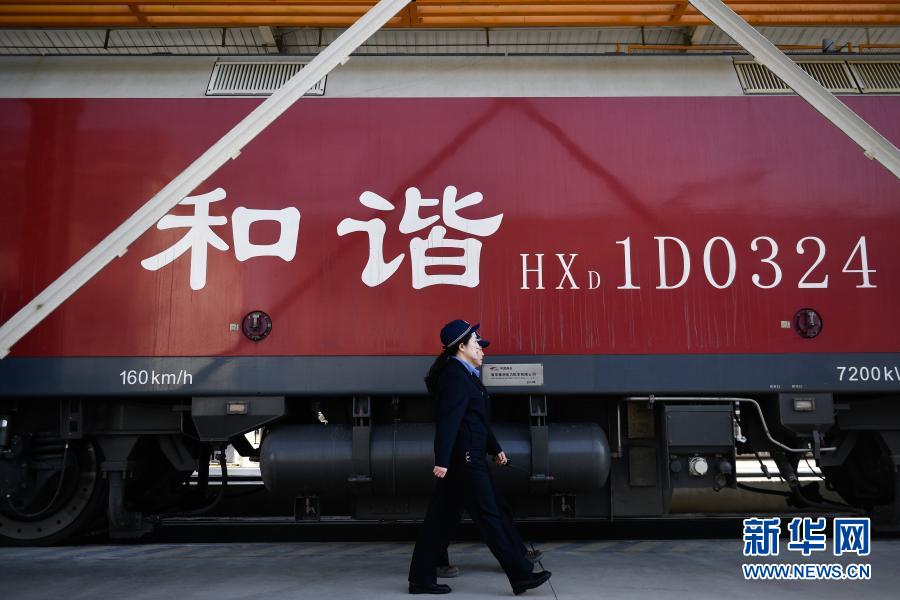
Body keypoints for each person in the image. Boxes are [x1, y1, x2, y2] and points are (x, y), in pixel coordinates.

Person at [408, 320, 552, 595]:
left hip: (468, 456)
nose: (482, 350)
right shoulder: (455, 377)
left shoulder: (465, 375)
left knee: (440, 520)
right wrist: (442, 460)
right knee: (489, 515)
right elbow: (449, 421)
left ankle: (420, 579)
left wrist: (495, 448)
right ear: (461, 347)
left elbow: (476, 420)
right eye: (476, 344)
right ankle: (520, 575)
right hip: (465, 459)